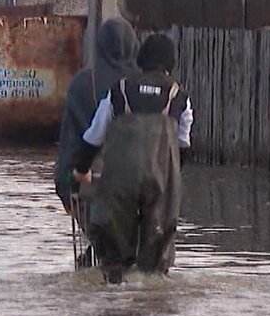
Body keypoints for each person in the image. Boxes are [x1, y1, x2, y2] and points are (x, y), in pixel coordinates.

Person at [72, 33, 193, 284]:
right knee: (155, 265)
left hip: (119, 182)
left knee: (115, 260)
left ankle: (116, 303)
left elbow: (94, 135)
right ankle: (150, 303)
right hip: (161, 181)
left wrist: (81, 169)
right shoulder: (178, 97)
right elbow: (182, 145)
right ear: (170, 64)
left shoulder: (120, 89)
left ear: (140, 60)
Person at [53, 17, 140, 213]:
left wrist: (67, 184)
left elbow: (70, 143)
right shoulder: (147, 85)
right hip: (143, 184)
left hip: (90, 182)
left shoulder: (83, 83)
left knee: (67, 175)